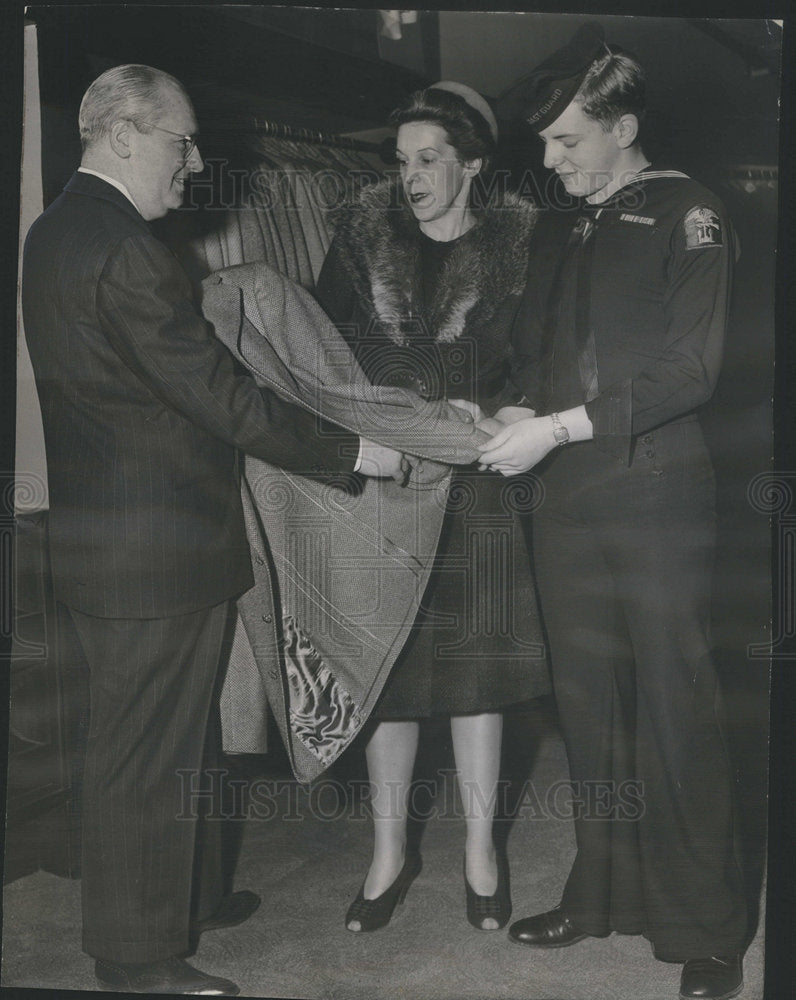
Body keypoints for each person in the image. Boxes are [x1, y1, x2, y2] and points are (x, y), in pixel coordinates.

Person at [21, 63, 402, 996]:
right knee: (145, 756)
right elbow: (221, 397)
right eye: (180, 141)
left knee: (166, 740)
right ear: (121, 134)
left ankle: (179, 895)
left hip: (108, 543)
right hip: (155, 552)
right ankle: (137, 957)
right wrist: (355, 453)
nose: (194, 163)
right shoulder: (131, 251)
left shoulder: (52, 232)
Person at [480, 24, 747, 1000]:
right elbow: (534, 354)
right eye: (545, 145)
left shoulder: (692, 213)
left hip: (655, 497)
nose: (550, 163)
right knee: (590, 712)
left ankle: (708, 925)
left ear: (622, 126)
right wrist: (513, 404)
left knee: (679, 712)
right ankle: (602, 891)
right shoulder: (563, 224)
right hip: (566, 508)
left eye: (567, 143)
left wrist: (555, 427)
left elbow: (690, 370)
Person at [315, 83, 549, 934]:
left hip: (478, 484)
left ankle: (481, 853)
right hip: (385, 483)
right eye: (402, 160)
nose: (409, 176)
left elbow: (543, 359)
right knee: (390, 678)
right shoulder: (357, 240)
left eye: (429, 160)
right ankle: (389, 854)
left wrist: (509, 412)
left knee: (476, 674)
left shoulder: (521, 246)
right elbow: (319, 356)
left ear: (473, 166)